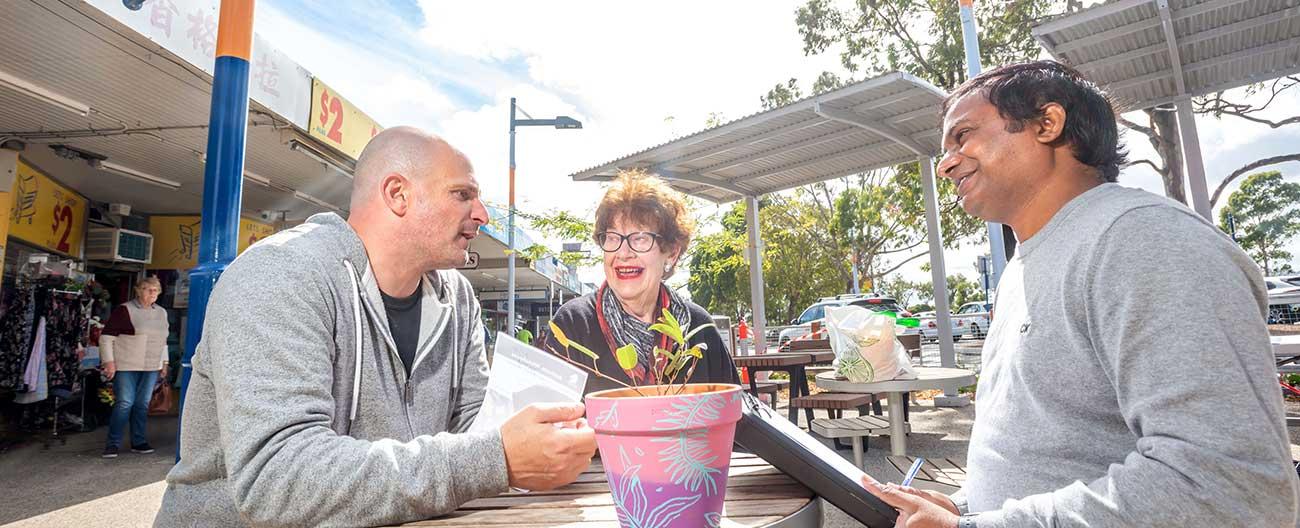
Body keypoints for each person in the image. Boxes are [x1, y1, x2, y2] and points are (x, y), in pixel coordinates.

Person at [858, 60, 1299, 527]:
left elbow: (1230, 488)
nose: (945, 164)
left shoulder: (1142, 239)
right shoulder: (1022, 267)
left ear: (1048, 124)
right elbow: (1052, 447)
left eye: (962, 136)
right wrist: (961, 506)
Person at [156, 127, 597, 527]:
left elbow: (474, 427)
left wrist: (545, 438)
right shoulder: (281, 275)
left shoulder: (457, 298)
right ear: (398, 194)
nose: (482, 213)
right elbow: (279, 477)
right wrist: (497, 456)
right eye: (463, 194)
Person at [538, 170, 739, 394]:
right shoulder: (574, 324)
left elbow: (736, 414)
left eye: (640, 239)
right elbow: (549, 422)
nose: (623, 253)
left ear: (671, 253)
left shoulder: (698, 327)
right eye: (613, 238)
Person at [99, 276, 168, 458]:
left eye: (156, 290)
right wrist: (109, 362)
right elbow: (106, 338)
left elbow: (163, 341)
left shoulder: (161, 313)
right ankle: (112, 444)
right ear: (138, 290)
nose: (152, 293)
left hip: (151, 365)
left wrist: (164, 363)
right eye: (148, 289)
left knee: (142, 404)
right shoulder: (125, 310)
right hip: (127, 364)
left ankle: (138, 441)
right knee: (125, 403)